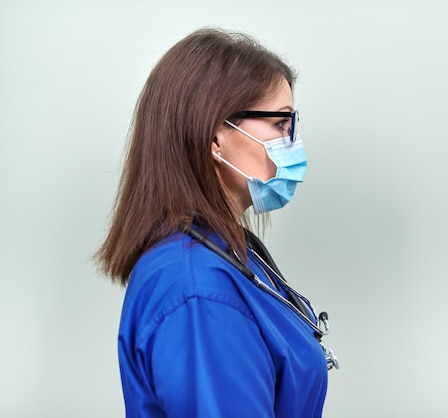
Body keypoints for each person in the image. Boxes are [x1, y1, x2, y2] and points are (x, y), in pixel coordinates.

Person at [96, 28, 336, 417]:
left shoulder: (227, 257)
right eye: (280, 124)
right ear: (214, 137)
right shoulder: (198, 289)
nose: (292, 143)